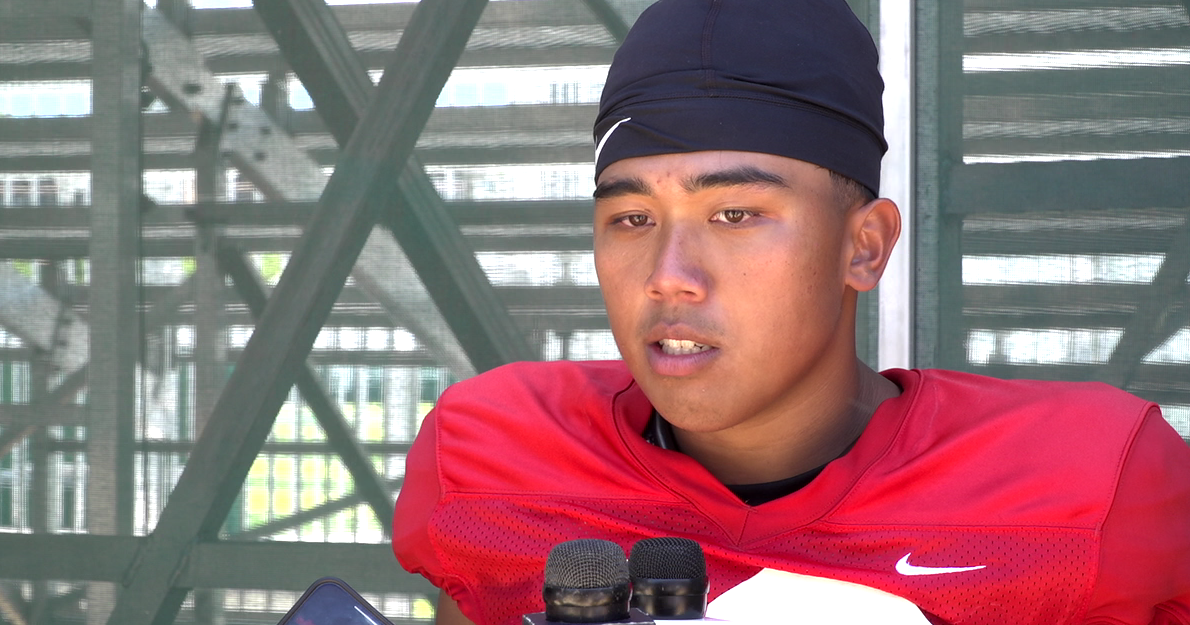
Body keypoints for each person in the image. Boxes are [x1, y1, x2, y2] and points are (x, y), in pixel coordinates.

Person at [392, 0, 1190, 623]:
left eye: (735, 214)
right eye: (632, 218)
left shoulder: (1095, 489)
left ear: (863, 247)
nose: (669, 277)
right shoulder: (491, 466)